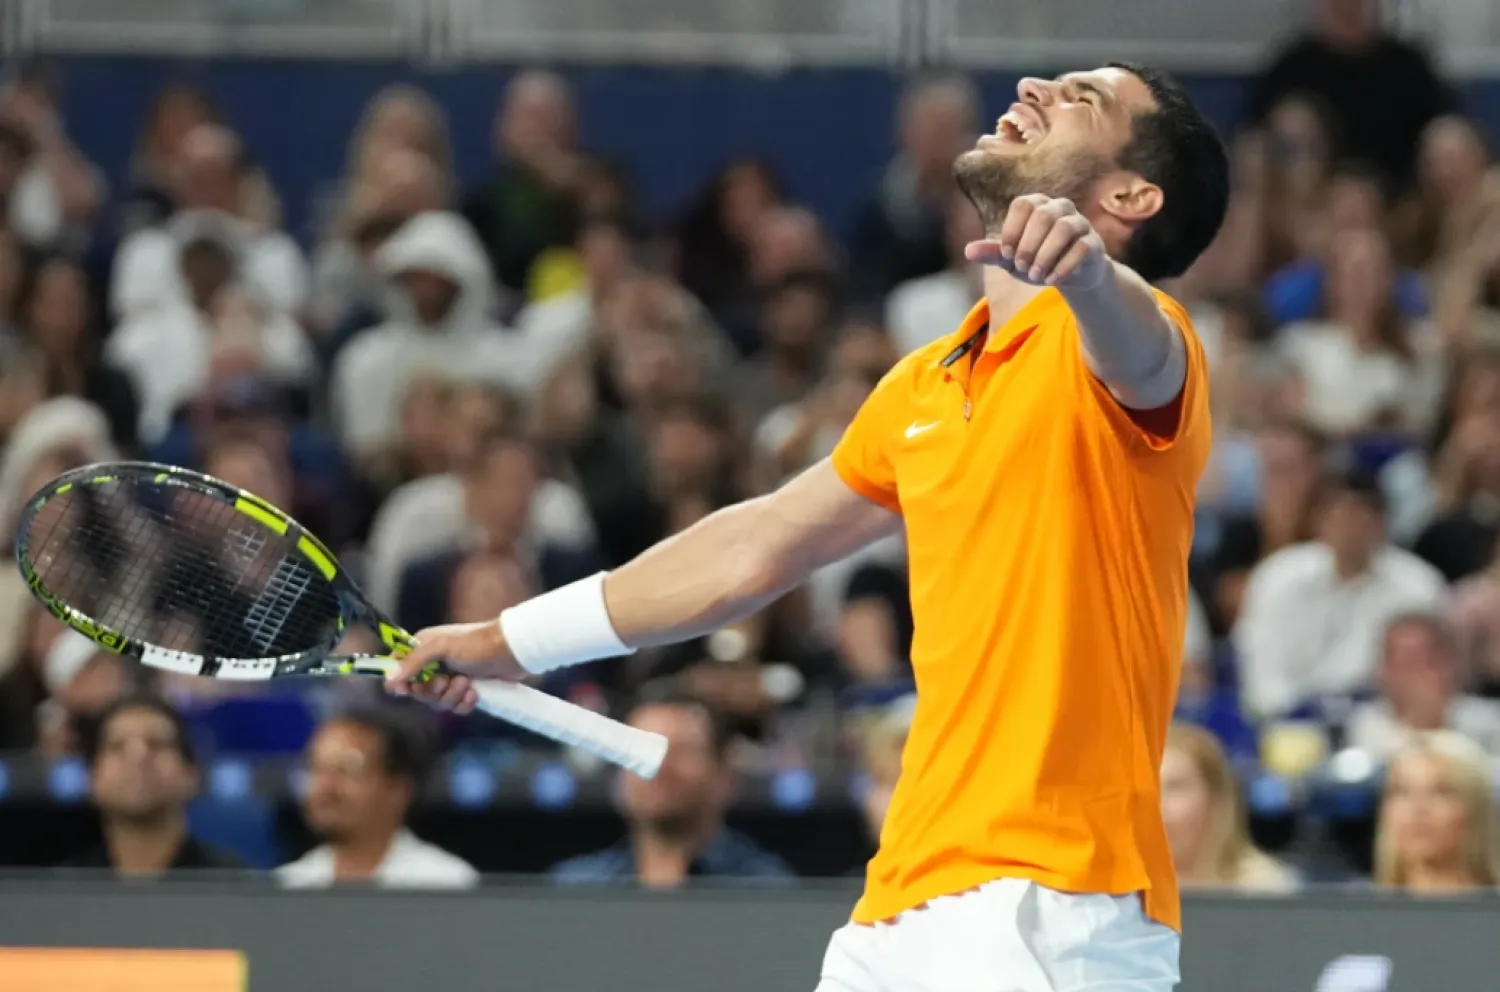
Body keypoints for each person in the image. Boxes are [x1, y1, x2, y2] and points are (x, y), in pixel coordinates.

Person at [389, 62, 1229, 991]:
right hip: (900, 906)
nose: (1034, 84)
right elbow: (752, 547)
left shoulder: (1147, 343)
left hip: (1053, 908)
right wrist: (506, 640)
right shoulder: (925, 382)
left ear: (1129, 195)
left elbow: (1139, 351)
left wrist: (1092, 276)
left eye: (1083, 98)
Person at [550, 694, 792, 886]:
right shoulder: (575, 886)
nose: (660, 767)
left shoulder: (763, 889)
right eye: (638, 753)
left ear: (724, 775)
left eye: (682, 751)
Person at [277, 706, 478, 889]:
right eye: (316, 768)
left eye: (348, 769)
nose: (325, 787)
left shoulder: (446, 885)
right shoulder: (289, 885)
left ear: (400, 789)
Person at [62, 694, 244, 876]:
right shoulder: (61, 890)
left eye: (157, 744)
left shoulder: (235, 885)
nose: (138, 758)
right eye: (117, 746)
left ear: (191, 774)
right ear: (91, 778)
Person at [1159, 724, 1298, 893]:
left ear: (1214, 797)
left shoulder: (1266, 889)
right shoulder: (1119, 897)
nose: (1157, 805)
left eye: (1175, 787)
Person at [1373, 730, 1500, 894]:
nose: (1417, 808)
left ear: (1475, 807)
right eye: (1402, 792)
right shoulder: (1351, 913)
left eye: (1440, 792)